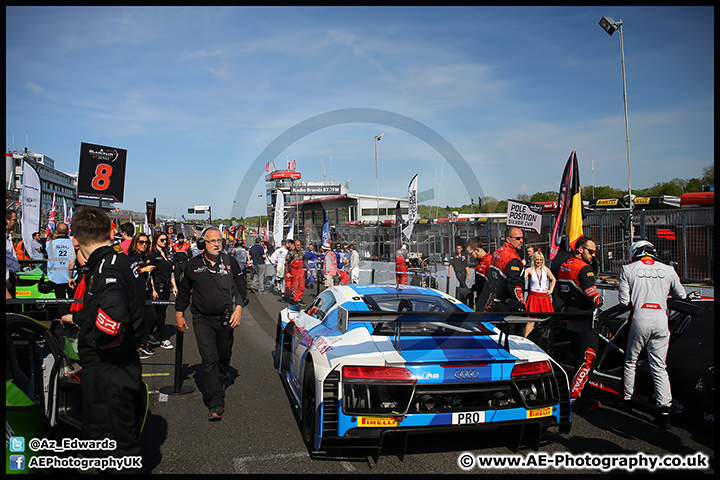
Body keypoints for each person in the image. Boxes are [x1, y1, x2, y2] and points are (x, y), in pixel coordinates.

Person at [68, 206, 149, 468]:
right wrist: (77, 318)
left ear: (76, 241)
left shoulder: (107, 268)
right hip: (119, 367)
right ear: (109, 231)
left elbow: (114, 315)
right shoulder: (121, 260)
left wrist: (102, 338)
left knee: (110, 448)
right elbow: (101, 308)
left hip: (109, 371)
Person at [175, 227, 244, 421]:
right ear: (202, 243)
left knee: (224, 355)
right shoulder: (192, 265)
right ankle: (216, 401)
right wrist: (179, 313)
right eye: (212, 241)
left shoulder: (230, 263)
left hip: (226, 317)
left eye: (219, 240)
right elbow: (184, 291)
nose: (216, 244)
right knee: (209, 358)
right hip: (202, 319)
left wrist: (238, 308)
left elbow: (241, 288)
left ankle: (220, 380)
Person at [619, 240, 686, 429]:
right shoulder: (668, 270)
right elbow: (681, 295)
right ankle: (664, 411)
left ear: (635, 252)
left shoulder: (628, 269)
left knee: (631, 361)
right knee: (659, 366)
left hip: (640, 318)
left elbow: (624, 301)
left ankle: (627, 400)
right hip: (661, 319)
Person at [557, 236, 603, 414]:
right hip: (585, 319)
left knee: (578, 359)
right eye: (590, 251)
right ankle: (572, 397)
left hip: (570, 316)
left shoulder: (564, 265)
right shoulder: (584, 269)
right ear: (580, 249)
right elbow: (594, 299)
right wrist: (599, 302)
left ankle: (587, 400)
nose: (593, 255)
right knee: (588, 360)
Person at [482, 227, 526, 314]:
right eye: (518, 238)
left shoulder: (497, 252)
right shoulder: (511, 258)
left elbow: (491, 277)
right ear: (508, 239)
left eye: (522, 238)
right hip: (509, 305)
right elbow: (514, 285)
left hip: (496, 301)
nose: (521, 241)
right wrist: (522, 303)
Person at [128, 233, 157, 359]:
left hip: (147, 291)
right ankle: (137, 345)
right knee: (138, 320)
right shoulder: (132, 257)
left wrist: (153, 289)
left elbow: (151, 276)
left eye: (146, 242)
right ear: (135, 243)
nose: (144, 245)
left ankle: (143, 342)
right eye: (141, 242)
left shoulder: (146, 256)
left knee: (151, 317)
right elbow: (129, 273)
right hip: (136, 293)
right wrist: (143, 270)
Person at [148, 232, 176, 350]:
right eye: (162, 240)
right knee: (159, 315)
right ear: (156, 241)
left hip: (166, 287)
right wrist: (153, 289)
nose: (165, 242)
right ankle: (163, 338)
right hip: (157, 286)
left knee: (159, 314)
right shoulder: (153, 255)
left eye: (166, 240)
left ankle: (149, 335)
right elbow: (150, 274)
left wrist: (174, 285)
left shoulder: (168, 255)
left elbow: (171, 272)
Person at [45, 222, 77, 318]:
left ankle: (63, 319)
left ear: (56, 232)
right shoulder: (73, 243)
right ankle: (73, 319)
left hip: (56, 275)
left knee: (60, 302)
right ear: (68, 231)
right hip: (71, 275)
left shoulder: (49, 244)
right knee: (73, 301)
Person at [522, 251, 556, 337]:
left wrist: (551, 290)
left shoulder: (546, 270)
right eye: (537, 260)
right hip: (534, 297)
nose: (539, 262)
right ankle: (526, 339)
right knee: (531, 321)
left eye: (540, 260)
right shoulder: (529, 270)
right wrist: (522, 266)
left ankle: (545, 339)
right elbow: (521, 277)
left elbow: (553, 279)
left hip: (544, 298)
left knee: (547, 320)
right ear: (533, 260)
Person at [468, 242, 491, 310]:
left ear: (477, 250)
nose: (470, 256)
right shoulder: (478, 261)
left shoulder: (490, 261)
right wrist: (472, 290)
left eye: (470, 253)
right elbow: (479, 282)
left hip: (487, 301)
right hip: (479, 298)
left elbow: (489, 284)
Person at [285, 239, 307, 305]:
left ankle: (300, 298)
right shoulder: (291, 253)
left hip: (301, 270)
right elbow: (286, 263)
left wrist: (308, 269)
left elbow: (305, 261)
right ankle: (295, 299)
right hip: (294, 270)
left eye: (299, 245)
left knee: (302, 286)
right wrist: (287, 272)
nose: (298, 246)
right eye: (297, 245)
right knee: (295, 286)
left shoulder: (303, 252)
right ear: (294, 245)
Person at [6, 210, 20, 299]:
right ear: (7, 220)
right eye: (14, 220)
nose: (16, 222)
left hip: (11, 276)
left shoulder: (8, 235)